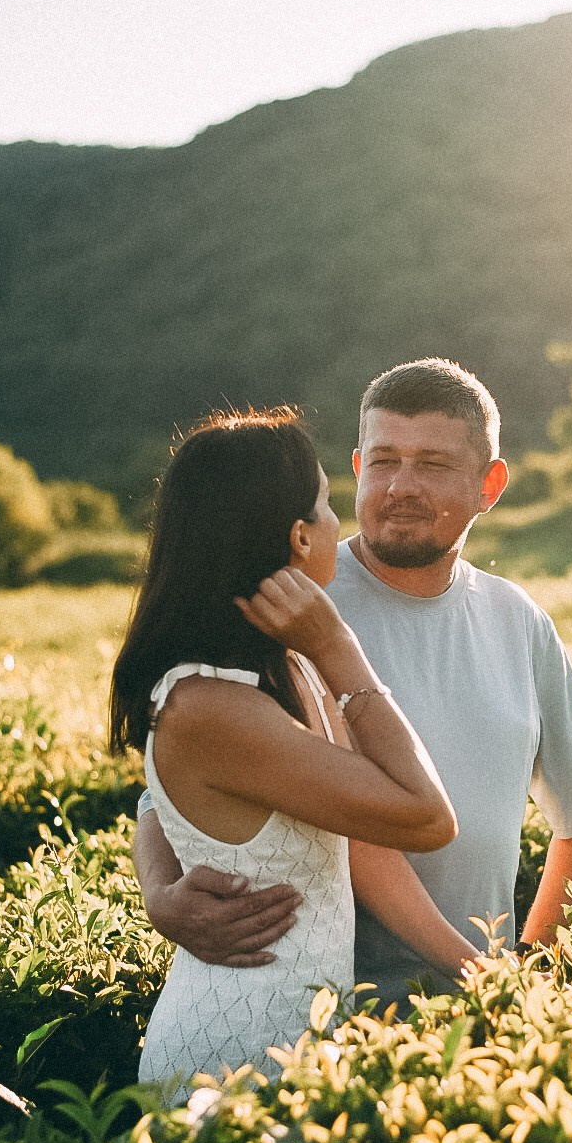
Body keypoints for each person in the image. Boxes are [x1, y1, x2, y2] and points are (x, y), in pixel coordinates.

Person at [136, 360, 572, 1010]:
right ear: (357, 464)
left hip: (478, 1005)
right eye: (384, 460)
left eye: (433, 464)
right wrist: (159, 895)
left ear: (490, 484)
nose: (401, 486)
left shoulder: (519, 620)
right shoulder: (294, 601)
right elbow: (175, 777)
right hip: (337, 1013)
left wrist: (535, 959)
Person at [110, 408, 468, 1097]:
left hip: (295, 1045)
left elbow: (362, 836)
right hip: (230, 1059)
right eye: (330, 505)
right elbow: (425, 816)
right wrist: (340, 648)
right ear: (300, 536)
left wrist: (479, 969)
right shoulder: (217, 705)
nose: (342, 525)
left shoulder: (276, 670)